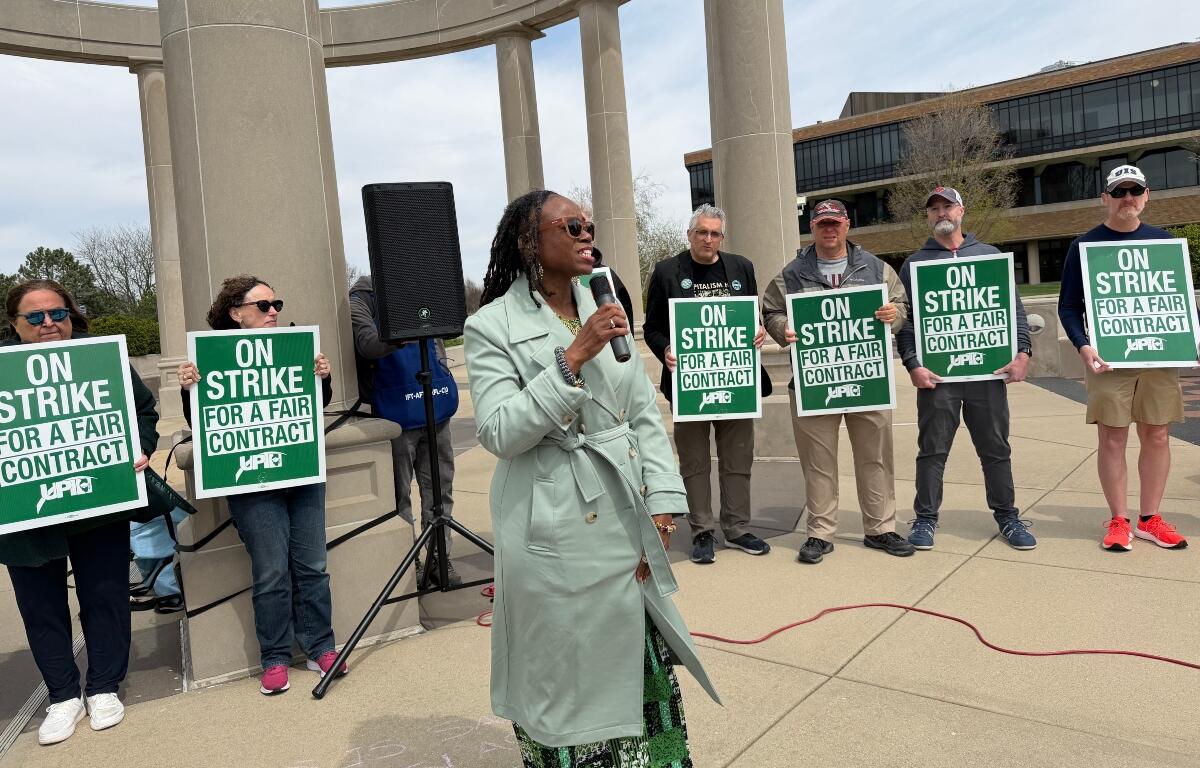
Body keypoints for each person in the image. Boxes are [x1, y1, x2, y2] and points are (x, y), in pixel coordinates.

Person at [465, 190, 718, 766]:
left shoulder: (605, 303)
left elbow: (643, 412)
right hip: (552, 519)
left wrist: (665, 499)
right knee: (566, 672)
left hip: (623, 508)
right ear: (530, 241)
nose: (586, 234)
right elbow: (501, 432)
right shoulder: (490, 325)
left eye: (590, 225)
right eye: (572, 225)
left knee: (632, 657)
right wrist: (572, 358)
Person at [0, 279, 159, 745]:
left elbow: (144, 413)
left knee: (106, 593)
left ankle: (105, 686)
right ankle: (63, 696)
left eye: (58, 313)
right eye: (35, 316)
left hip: (99, 500)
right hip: (26, 514)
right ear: (15, 324)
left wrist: (140, 448)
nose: (49, 323)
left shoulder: (102, 359)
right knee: (40, 606)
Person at [177, 275, 343, 695]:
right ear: (236, 313)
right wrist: (189, 389)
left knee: (313, 567)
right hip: (250, 481)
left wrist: (321, 378)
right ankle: (275, 656)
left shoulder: (292, 346)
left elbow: (312, 405)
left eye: (277, 305)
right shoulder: (211, 358)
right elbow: (203, 422)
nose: (274, 312)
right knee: (271, 571)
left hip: (300, 472)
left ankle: (321, 646)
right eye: (264, 305)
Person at [762, 200, 915, 563]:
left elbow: (902, 305)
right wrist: (783, 328)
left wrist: (893, 316)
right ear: (812, 228)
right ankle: (820, 532)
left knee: (875, 456)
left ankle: (880, 528)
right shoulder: (792, 273)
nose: (829, 230)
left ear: (847, 225)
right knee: (818, 461)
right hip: (814, 382)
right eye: (822, 224)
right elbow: (770, 309)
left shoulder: (876, 268)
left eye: (835, 223)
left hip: (868, 379)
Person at [896, 187, 1037, 551]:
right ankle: (925, 520)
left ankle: (1007, 516)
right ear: (928, 217)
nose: (941, 212)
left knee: (995, 449)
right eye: (934, 208)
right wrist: (912, 364)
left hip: (987, 376)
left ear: (961, 211)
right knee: (932, 450)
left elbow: (1014, 312)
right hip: (939, 377)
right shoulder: (914, 265)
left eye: (947, 206)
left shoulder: (988, 256)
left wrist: (1022, 352)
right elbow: (907, 323)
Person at [1058, 164, 1189, 552]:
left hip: (1158, 357)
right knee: (1112, 438)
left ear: (1146, 196)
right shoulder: (1084, 246)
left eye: (1135, 191)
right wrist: (1084, 345)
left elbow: (1177, 303)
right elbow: (1068, 306)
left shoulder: (1163, 243)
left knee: (1158, 433)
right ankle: (1119, 520)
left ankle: (1150, 519)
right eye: (1119, 192)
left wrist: (1187, 341)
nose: (1127, 198)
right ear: (1106, 198)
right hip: (1108, 358)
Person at [643, 203, 772, 564]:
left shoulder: (741, 268)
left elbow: (752, 317)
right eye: (702, 232)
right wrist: (665, 348)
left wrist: (757, 331)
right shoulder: (668, 271)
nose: (708, 239)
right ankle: (702, 530)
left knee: (737, 459)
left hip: (736, 382)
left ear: (722, 237)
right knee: (695, 461)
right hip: (690, 386)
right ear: (690, 235)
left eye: (715, 233)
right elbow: (652, 327)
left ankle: (737, 527)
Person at [349, 274, 460, 586]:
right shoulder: (361, 300)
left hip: (435, 407)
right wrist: (403, 330)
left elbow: (440, 336)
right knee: (399, 495)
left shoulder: (417, 289)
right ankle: (407, 562)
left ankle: (440, 559)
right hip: (395, 415)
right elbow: (367, 344)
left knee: (440, 490)